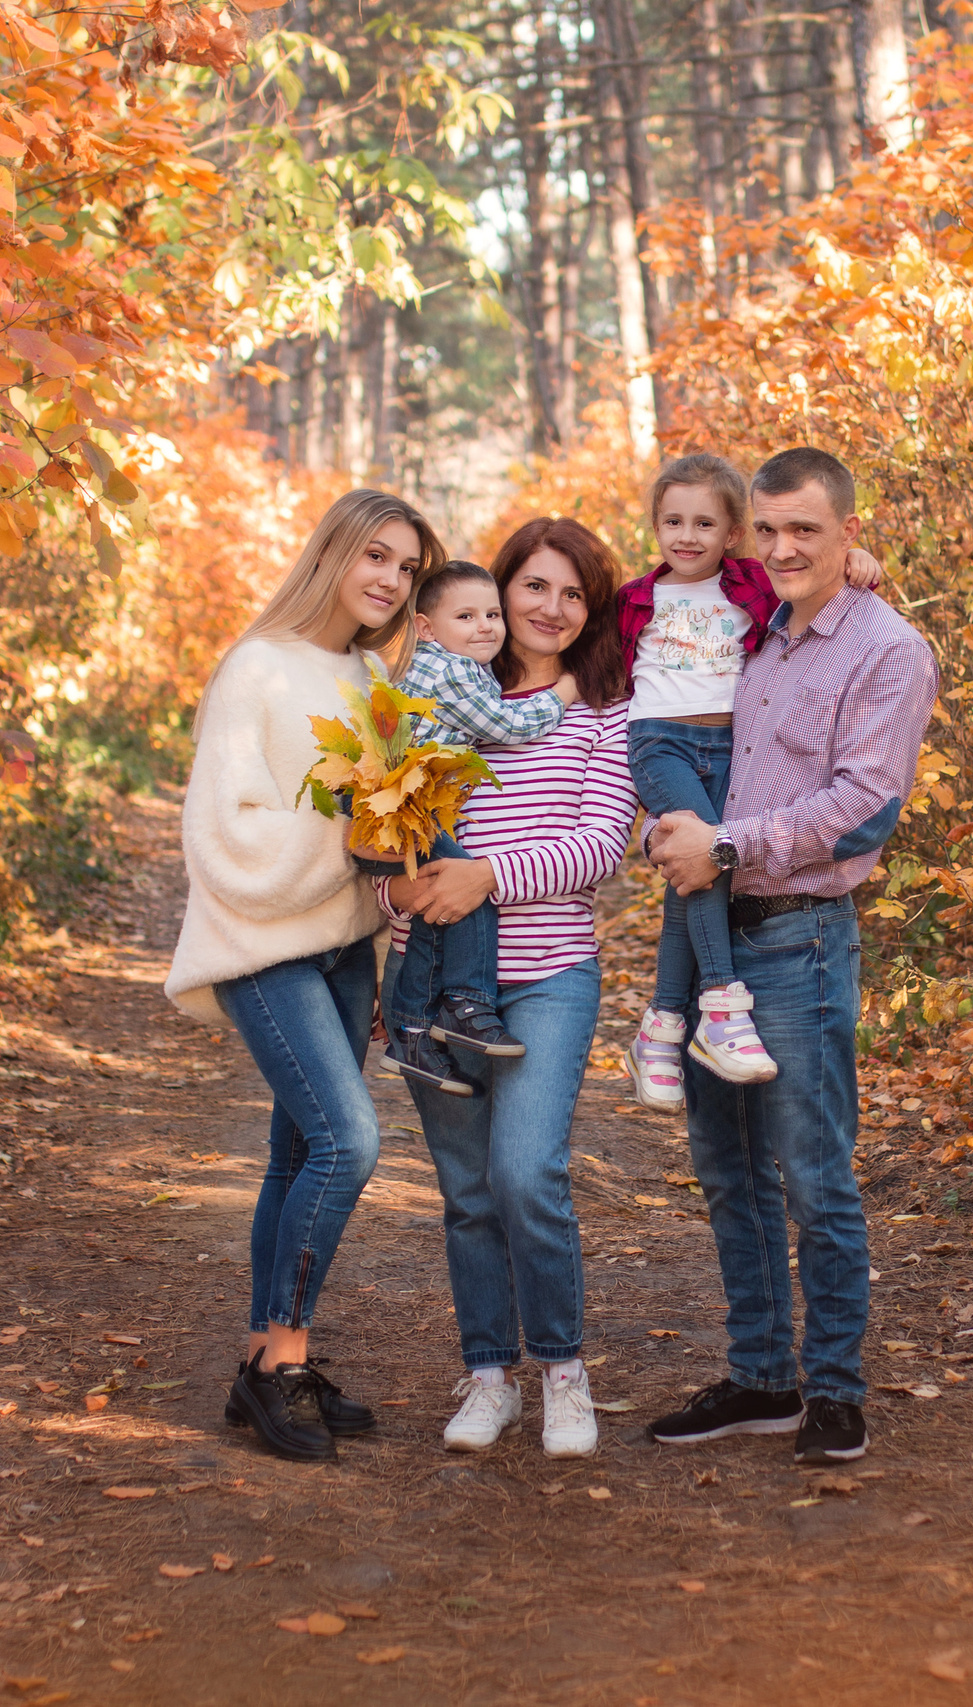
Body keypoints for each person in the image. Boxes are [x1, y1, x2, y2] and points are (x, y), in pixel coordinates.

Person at [640, 448, 938, 1466]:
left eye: (804, 529)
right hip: (712, 935)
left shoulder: (887, 650)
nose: (781, 548)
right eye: (765, 530)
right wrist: (673, 825)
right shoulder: (756, 630)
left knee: (813, 1175)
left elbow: (864, 809)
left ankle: (836, 1392)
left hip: (799, 941)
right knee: (729, 1172)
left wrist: (724, 845)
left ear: (850, 530)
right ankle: (762, 1377)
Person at [165, 488, 444, 1462]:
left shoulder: (372, 677)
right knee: (347, 1141)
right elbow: (223, 830)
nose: (391, 580)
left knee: (296, 1155)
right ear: (331, 553)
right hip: (263, 944)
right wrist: (348, 828)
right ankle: (279, 1362)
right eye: (376, 556)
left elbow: (391, 829)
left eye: (408, 568)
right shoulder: (257, 664)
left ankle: (262, 1357)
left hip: (344, 947)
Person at [379, 518, 635, 1460]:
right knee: (467, 1190)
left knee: (526, 1174)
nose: (551, 608)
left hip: (550, 976)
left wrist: (485, 877)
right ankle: (490, 1373)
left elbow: (598, 847)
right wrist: (401, 894)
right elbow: (387, 833)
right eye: (534, 586)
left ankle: (563, 1370)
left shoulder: (604, 713)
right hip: (433, 974)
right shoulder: (429, 700)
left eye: (573, 594)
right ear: (499, 590)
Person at [615, 454, 882, 1111]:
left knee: (700, 867)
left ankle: (660, 1027)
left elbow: (809, 572)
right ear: (654, 525)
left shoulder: (752, 585)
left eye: (704, 523)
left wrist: (856, 558)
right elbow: (595, 667)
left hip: (723, 743)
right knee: (708, 859)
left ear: (733, 533)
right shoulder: (634, 598)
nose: (686, 535)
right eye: (672, 521)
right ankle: (721, 1005)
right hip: (659, 741)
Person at [371, 560, 583, 1096]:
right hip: (409, 808)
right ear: (426, 627)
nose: (485, 626)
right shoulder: (454, 671)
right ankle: (466, 1004)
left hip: (400, 806)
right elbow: (509, 725)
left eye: (492, 614)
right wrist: (564, 691)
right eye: (466, 616)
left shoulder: (443, 663)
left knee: (434, 916)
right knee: (466, 893)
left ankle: (412, 1034)